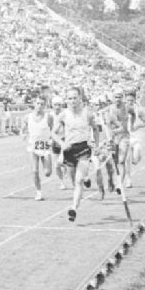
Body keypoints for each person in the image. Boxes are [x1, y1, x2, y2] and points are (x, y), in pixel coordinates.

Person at [53, 86, 101, 222]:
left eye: (75, 98)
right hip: (69, 149)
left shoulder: (87, 114)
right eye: (70, 98)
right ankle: (86, 179)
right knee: (74, 180)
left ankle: (73, 208)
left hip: (83, 148)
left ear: (80, 98)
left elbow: (96, 129)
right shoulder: (63, 115)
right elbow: (53, 133)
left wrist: (96, 146)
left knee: (78, 181)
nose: (73, 101)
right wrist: (62, 143)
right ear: (66, 100)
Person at [20, 95, 54, 200]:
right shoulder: (28, 117)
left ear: (45, 106)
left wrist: (51, 139)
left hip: (45, 147)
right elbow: (23, 129)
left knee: (47, 173)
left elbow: (53, 130)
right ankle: (38, 192)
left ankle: (48, 168)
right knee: (34, 171)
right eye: (38, 103)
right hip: (33, 147)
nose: (39, 106)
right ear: (34, 104)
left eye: (42, 104)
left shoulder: (49, 117)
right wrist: (23, 134)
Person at [124, 90, 145, 184]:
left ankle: (137, 158)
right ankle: (128, 179)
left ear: (134, 100)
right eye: (127, 100)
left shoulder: (139, 110)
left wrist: (137, 126)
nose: (129, 102)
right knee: (127, 159)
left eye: (131, 100)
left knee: (135, 158)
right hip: (126, 136)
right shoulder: (123, 110)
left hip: (137, 137)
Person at [50, 95, 69, 189]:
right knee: (56, 165)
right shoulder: (50, 116)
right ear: (52, 105)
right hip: (55, 141)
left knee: (61, 161)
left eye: (59, 105)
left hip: (65, 139)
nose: (57, 107)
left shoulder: (66, 114)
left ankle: (66, 166)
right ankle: (62, 182)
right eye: (55, 105)